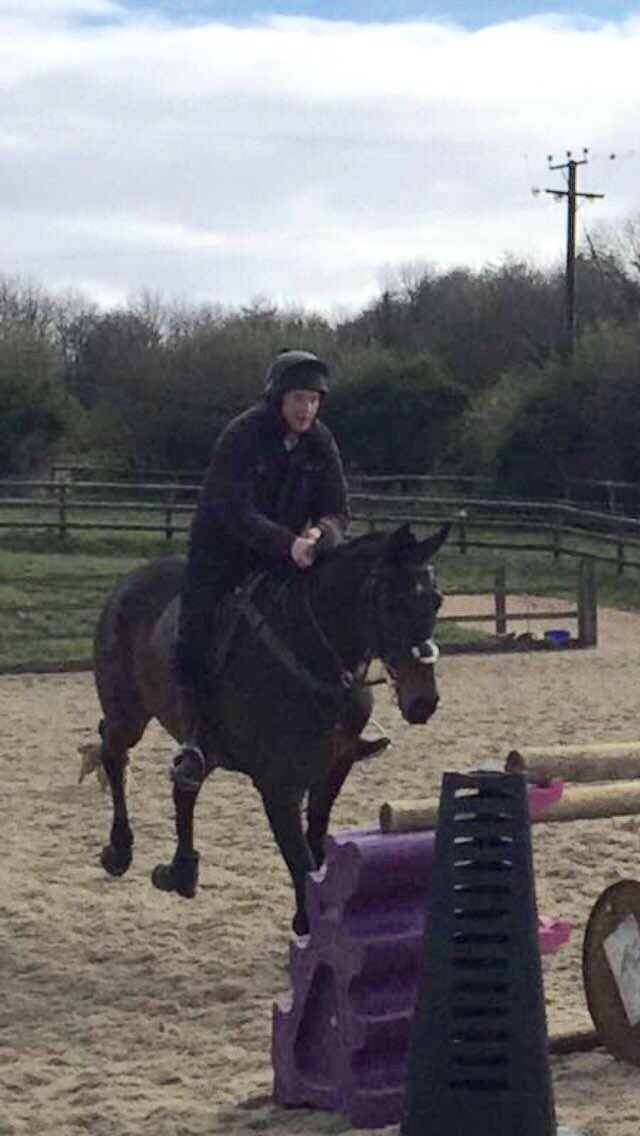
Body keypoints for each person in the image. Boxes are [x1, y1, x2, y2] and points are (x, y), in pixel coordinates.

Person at [170, 347, 389, 791]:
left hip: (294, 551)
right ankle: (195, 739)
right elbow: (234, 510)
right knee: (194, 630)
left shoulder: (321, 441)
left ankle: (347, 722)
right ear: (278, 398)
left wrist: (321, 535)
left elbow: (337, 508)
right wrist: (287, 543)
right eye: (298, 399)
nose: (306, 408)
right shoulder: (242, 436)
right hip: (224, 551)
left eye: (314, 399)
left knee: (335, 615)